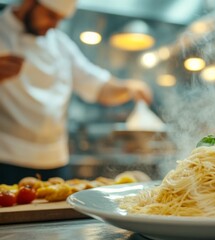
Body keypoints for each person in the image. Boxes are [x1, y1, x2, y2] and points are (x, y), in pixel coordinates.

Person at [0, 0, 153, 184]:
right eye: (50, 15)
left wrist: (129, 87)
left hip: (55, 161)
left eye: (60, 19)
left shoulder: (60, 44)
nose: (54, 25)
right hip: (7, 157)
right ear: (30, 2)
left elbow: (98, 87)